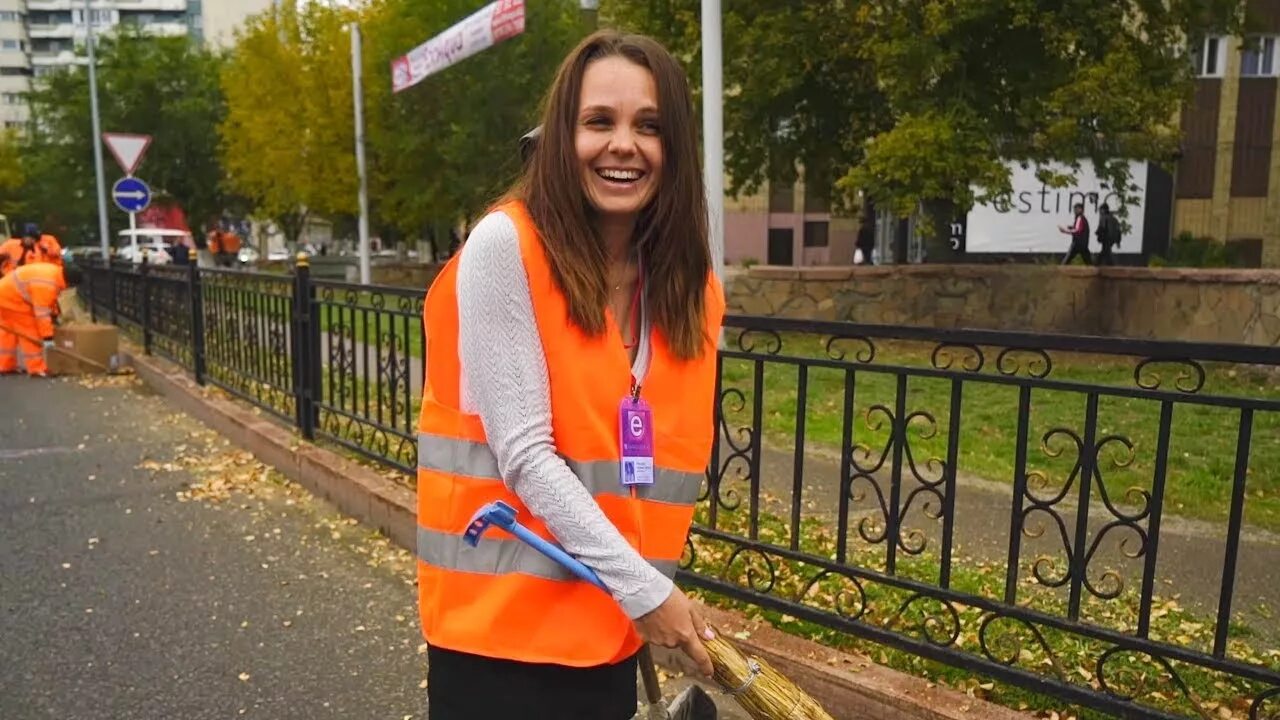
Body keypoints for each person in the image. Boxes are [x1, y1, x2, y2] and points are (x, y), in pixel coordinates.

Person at [415, 30, 724, 720]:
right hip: (498, 641)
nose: (624, 144)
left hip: (606, 632)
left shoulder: (689, 290)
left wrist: (641, 595)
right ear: (562, 137)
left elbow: (637, 466)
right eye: (598, 122)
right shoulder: (508, 246)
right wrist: (647, 592)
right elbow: (525, 454)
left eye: (650, 126)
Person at [0, 262, 82, 377]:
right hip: (13, 300)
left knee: (9, 332)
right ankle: (37, 368)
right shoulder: (47, 285)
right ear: (69, 282)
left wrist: (54, 315)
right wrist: (48, 337)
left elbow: (48, 303)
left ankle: (5, 365)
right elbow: (42, 314)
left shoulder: (54, 273)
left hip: (6, 295)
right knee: (30, 331)